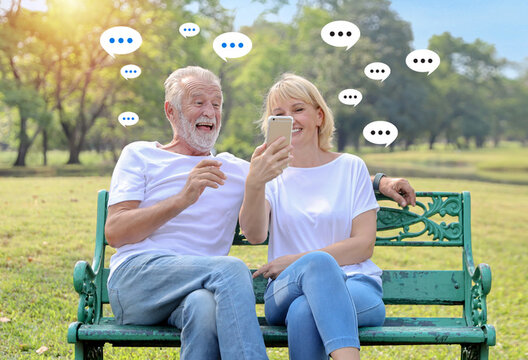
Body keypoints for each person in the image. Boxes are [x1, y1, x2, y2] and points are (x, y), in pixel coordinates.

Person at [103, 66, 415, 359]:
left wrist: (380, 181)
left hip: (198, 290)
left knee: (203, 309)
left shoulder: (238, 170)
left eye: (216, 104)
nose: (209, 111)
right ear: (171, 111)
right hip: (139, 279)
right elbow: (115, 232)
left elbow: (314, 172)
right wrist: (182, 198)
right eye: (198, 102)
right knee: (230, 269)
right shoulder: (140, 154)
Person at [240, 73, 386, 360]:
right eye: (279, 115)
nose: (290, 119)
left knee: (304, 311)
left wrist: (297, 261)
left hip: (355, 284)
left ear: (319, 116)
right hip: (285, 289)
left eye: (298, 109)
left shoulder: (351, 167)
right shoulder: (269, 174)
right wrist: (255, 182)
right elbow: (255, 235)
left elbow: (364, 245)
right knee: (315, 269)